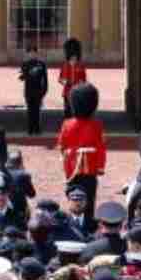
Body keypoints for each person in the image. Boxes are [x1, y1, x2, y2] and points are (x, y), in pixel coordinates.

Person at [56, 82, 107, 223]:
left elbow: (61, 146)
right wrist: (100, 167)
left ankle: (74, 221)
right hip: (90, 167)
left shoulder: (67, 124)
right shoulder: (97, 125)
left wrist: (67, 159)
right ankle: (88, 221)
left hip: (72, 167)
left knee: (73, 196)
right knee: (89, 197)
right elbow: (101, 148)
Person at [18, 43, 49, 136]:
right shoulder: (25, 64)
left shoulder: (41, 64)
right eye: (30, 53)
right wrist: (23, 75)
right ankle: (30, 129)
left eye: (33, 52)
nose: (32, 54)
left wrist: (44, 90)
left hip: (38, 90)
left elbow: (45, 79)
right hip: (28, 91)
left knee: (37, 111)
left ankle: (37, 129)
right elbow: (22, 77)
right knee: (30, 111)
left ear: (36, 53)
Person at [58, 38, 87, 118]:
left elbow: (84, 80)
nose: (73, 57)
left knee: (77, 114)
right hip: (67, 93)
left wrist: (80, 84)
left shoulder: (81, 66)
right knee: (67, 113)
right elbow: (60, 79)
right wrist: (66, 82)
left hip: (77, 93)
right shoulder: (65, 65)